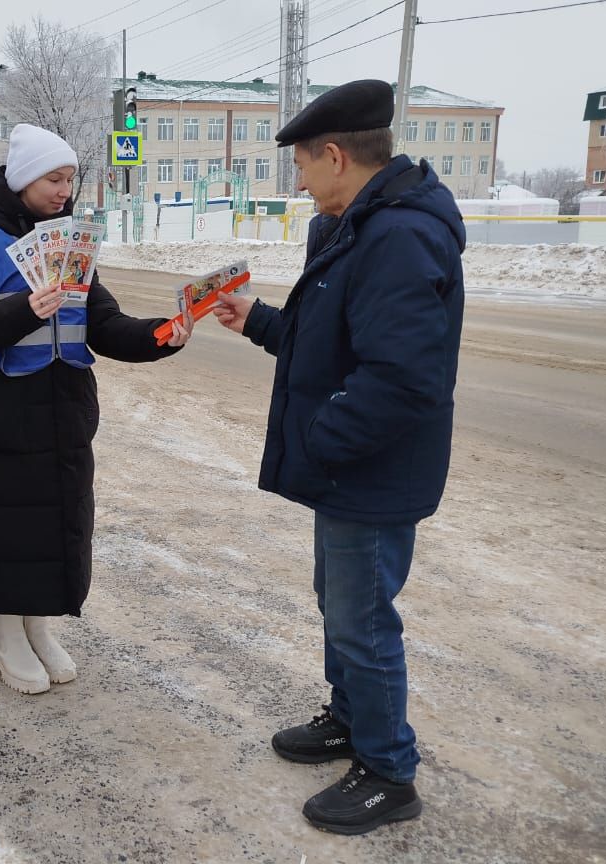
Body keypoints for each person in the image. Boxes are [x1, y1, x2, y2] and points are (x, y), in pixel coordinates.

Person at [212, 79, 465, 834]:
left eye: (301, 165)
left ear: (334, 155)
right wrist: (257, 319)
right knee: (341, 606)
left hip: (371, 471)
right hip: (350, 467)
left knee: (363, 621)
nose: (298, 181)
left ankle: (389, 770)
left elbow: (403, 377)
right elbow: (332, 338)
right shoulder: (358, 225)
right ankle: (350, 719)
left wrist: (322, 439)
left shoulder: (398, 235)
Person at [0, 123, 192, 696]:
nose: (64, 189)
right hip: (0, 418)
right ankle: (6, 635)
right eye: (54, 177)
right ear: (24, 179)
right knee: (5, 530)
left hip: (64, 415)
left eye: (70, 178)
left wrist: (163, 333)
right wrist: (25, 309)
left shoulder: (72, 246)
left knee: (53, 528)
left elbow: (105, 325)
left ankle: (39, 626)